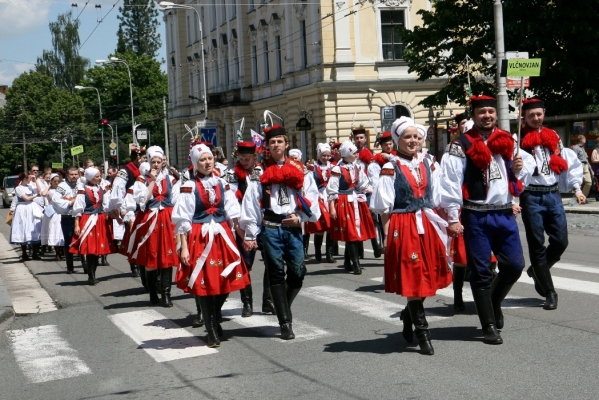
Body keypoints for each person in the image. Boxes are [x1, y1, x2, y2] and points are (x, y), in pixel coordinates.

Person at [439, 95, 535, 345]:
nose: (487, 116)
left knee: (514, 266)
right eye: (482, 112)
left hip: (503, 212)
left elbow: (523, 170)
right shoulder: (460, 144)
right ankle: (488, 325)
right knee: (481, 272)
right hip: (476, 214)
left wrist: (518, 168)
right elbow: (450, 182)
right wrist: (452, 216)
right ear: (473, 115)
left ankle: (493, 303)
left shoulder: (507, 139)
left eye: (491, 111)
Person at [371, 116, 452, 355]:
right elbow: (383, 206)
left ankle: (408, 314)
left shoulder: (429, 162)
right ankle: (423, 332)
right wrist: (386, 236)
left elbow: (438, 196)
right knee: (414, 278)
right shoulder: (390, 166)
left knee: (428, 276)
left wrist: (449, 221)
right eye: (407, 137)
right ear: (397, 140)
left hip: (427, 222)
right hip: (403, 225)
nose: (413, 140)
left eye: (417, 136)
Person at [240, 122, 320, 340]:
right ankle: (285, 322)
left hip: (292, 224)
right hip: (271, 226)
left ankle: (282, 303)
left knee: (298, 272)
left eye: (279, 141)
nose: (276, 145)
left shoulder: (300, 168)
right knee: (275, 272)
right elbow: (252, 204)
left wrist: (302, 217)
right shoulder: (259, 171)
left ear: (286, 143)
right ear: (267, 145)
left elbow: (312, 195)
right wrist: (250, 233)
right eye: (272, 142)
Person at [173, 144, 250, 347]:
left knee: (227, 280)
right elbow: (183, 220)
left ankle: (214, 316)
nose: (207, 163)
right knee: (205, 284)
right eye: (202, 160)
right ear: (195, 163)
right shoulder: (189, 186)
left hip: (222, 235)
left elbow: (233, 213)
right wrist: (184, 247)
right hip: (200, 236)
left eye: (209, 159)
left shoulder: (223, 183)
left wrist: (245, 237)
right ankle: (211, 330)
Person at [519, 97, 585, 310]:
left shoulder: (554, 136)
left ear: (544, 114)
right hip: (531, 196)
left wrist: (577, 188)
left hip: (552, 194)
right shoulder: (517, 138)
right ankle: (549, 292)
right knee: (537, 244)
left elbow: (569, 162)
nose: (536, 118)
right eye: (531, 115)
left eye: (539, 114)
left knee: (561, 241)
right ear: (524, 117)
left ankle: (538, 270)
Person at [224, 141, 275, 318]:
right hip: (243, 224)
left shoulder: (263, 171)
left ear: (255, 157)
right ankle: (247, 302)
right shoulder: (231, 174)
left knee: (272, 261)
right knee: (245, 265)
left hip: (264, 222)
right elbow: (231, 201)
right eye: (241, 158)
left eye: (247, 158)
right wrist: (239, 228)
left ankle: (268, 301)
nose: (244, 161)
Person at [129, 147, 180, 307]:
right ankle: (152, 292)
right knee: (151, 257)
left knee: (168, 256)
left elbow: (176, 200)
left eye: (158, 162)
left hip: (167, 218)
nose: (156, 165)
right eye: (153, 162)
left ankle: (166, 294)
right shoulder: (141, 180)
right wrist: (151, 180)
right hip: (149, 219)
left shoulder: (170, 179)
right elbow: (143, 200)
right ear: (149, 163)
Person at [327, 141, 376, 274]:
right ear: (347, 154)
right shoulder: (337, 169)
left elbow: (363, 183)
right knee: (351, 232)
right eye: (353, 152)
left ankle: (348, 262)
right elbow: (332, 189)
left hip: (356, 201)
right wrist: (332, 207)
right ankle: (355, 264)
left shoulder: (357, 167)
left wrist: (370, 191)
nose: (356, 154)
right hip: (343, 202)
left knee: (353, 232)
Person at [69, 168, 116, 285]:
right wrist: (76, 225)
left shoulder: (100, 189)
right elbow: (78, 208)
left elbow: (105, 205)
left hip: (100, 219)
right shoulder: (82, 190)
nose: (100, 178)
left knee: (97, 250)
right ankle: (91, 275)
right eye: (97, 176)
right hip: (88, 219)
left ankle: (93, 273)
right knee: (90, 249)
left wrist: (111, 214)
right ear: (90, 178)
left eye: (100, 176)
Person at [110, 145, 147, 278]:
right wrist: (122, 208)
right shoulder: (125, 171)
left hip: (145, 208)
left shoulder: (146, 171)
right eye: (144, 158)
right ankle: (134, 265)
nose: (145, 160)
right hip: (131, 208)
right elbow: (117, 190)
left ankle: (143, 263)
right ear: (137, 159)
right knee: (133, 237)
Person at [352, 127, 384, 258]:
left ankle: (377, 246)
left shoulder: (370, 154)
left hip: (368, 190)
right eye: (357, 138)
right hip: (355, 190)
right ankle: (359, 250)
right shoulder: (351, 152)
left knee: (372, 219)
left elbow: (374, 172)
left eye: (361, 138)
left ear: (365, 139)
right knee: (357, 220)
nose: (359, 140)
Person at [306, 143, 336, 263]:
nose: (326, 158)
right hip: (318, 196)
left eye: (328, 156)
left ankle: (329, 253)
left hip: (330, 196)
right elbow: (308, 182)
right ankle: (318, 251)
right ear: (319, 155)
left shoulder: (333, 167)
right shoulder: (313, 167)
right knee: (320, 227)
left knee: (331, 226)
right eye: (324, 155)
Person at [53, 167, 84, 273]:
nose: (74, 176)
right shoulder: (62, 186)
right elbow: (56, 200)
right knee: (68, 241)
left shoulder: (81, 184)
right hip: (68, 216)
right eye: (72, 174)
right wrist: (71, 202)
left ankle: (86, 267)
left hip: (81, 216)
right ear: (67, 175)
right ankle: (70, 267)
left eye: (76, 174)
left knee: (83, 240)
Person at [10, 172, 43, 260]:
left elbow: (40, 191)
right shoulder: (18, 188)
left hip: (31, 208)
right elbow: (26, 198)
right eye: (29, 178)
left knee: (33, 228)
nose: (30, 180)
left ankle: (34, 252)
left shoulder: (30, 187)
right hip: (23, 208)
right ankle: (24, 253)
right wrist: (36, 195)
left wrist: (36, 181)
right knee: (23, 228)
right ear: (24, 179)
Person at [41, 174, 64, 261]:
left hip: (61, 211)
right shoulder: (49, 190)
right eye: (55, 181)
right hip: (52, 212)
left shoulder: (61, 189)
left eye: (58, 181)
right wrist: (49, 185)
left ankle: (61, 250)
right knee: (54, 231)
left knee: (61, 231)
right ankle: (57, 252)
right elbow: (43, 194)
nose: (57, 183)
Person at [572, 135, 593, 200]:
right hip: (579, 166)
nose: (585, 140)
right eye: (584, 139)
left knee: (589, 182)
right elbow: (574, 158)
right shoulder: (575, 147)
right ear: (581, 140)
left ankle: (583, 197)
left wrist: (591, 169)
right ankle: (579, 198)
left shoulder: (583, 148)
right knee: (579, 183)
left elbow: (586, 159)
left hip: (586, 166)